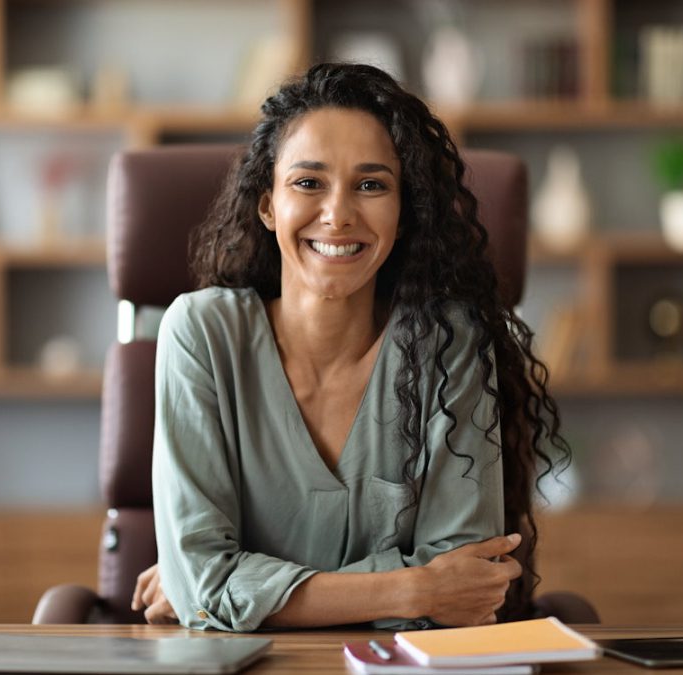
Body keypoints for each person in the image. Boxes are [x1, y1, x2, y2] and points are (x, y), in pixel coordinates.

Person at [131, 63, 570, 632]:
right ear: (268, 205)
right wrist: (415, 587)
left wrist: (233, 591)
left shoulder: (449, 343)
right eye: (308, 182)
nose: (338, 214)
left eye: (371, 185)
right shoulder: (201, 333)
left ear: (403, 210)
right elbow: (206, 587)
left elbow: (465, 596)